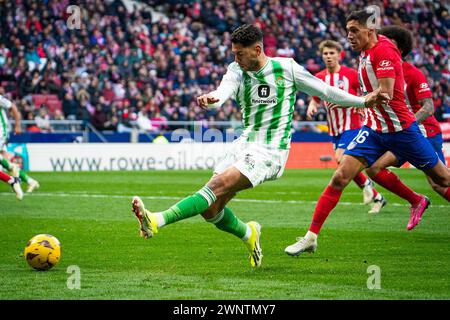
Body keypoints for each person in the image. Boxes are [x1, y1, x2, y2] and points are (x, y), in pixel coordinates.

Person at [130, 24, 388, 268]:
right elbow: (223, 90)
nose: (236, 58)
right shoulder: (236, 70)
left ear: (257, 50)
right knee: (210, 209)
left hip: (271, 151)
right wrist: (213, 100)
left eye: (240, 54)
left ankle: (156, 220)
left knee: (215, 186)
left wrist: (363, 101)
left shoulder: (286, 68)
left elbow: (325, 92)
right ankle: (248, 233)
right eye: (234, 54)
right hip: (243, 145)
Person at [285, 9, 450, 256]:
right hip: (373, 130)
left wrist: (352, 101)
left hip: (402, 130)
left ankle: (417, 200)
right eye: (347, 30)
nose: (349, 36)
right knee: (340, 177)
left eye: (354, 30)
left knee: (442, 180)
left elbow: (384, 93)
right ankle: (310, 237)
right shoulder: (364, 52)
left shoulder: (384, 51)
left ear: (369, 30)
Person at [307, 40, 386, 213]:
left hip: (352, 125)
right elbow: (316, 97)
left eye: (331, 53)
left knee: (341, 158)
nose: (328, 57)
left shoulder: (350, 74)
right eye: (325, 54)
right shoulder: (320, 77)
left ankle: (367, 185)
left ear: (339, 55)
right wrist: (312, 105)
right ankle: (377, 196)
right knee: (344, 163)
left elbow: (366, 92)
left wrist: (360, 105)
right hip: (334, 129)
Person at [371, 25, 449, 202]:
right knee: (374, 167)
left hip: (424, 131)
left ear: (399, 48)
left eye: (386, 41)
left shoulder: (413, 73)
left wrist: (408, 123)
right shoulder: (379, 68)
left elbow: (428, 107)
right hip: (400, 132)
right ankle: (416, 200)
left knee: (440, 183)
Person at [0, 93, 40, 193]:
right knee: (5, 162)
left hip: (1, 133)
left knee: (5, 163)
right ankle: (30, 181)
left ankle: (13, 180)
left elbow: (12, 107)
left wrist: (18, 126)